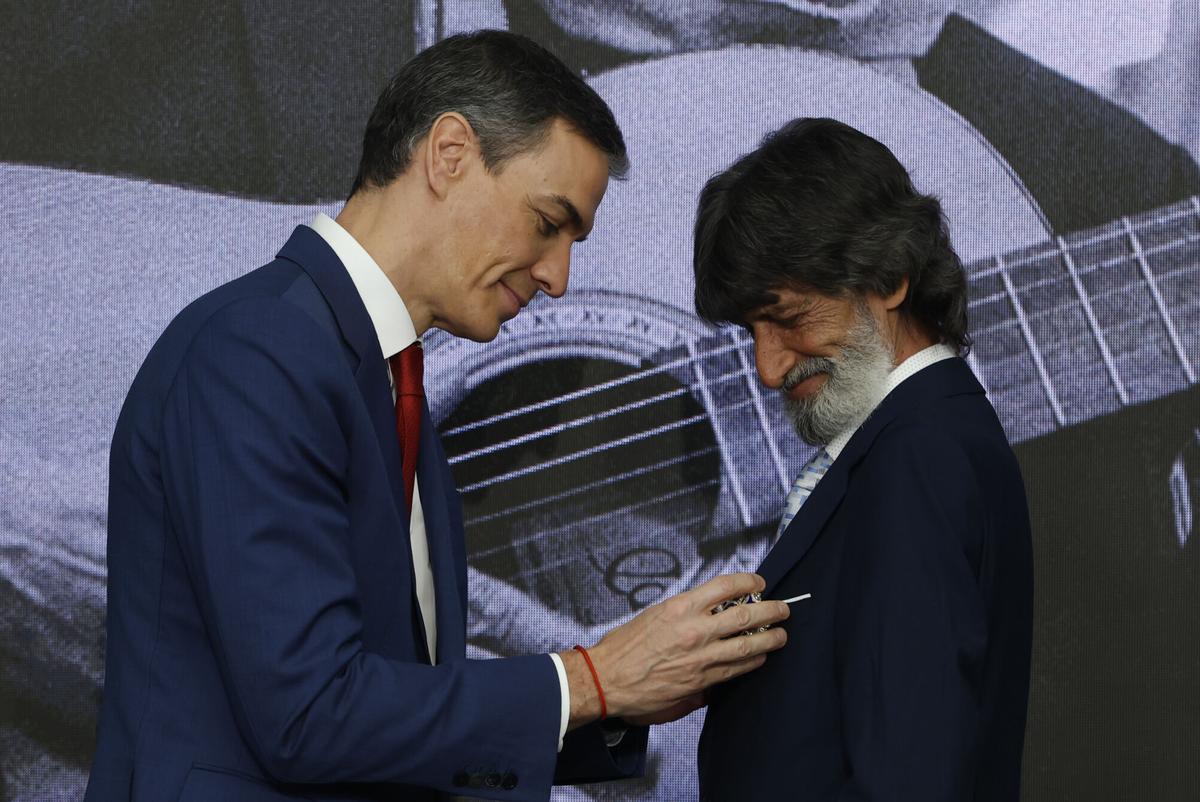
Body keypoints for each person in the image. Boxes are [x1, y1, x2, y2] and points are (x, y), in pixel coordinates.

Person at [84, 30, 789, 802]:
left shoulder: (392, 382)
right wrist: (592, 681)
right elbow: (308, 718)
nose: (557, 277)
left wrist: (625, 700)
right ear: (448, 154)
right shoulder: (260, 350)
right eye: (548, 223)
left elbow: (394, 720)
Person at [691, 117, 1034, 800]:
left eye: (786, 317)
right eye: (749, 332)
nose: (766, 367)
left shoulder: (917, 457)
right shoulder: (921, 439)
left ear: (889, 278)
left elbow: (908, 777)